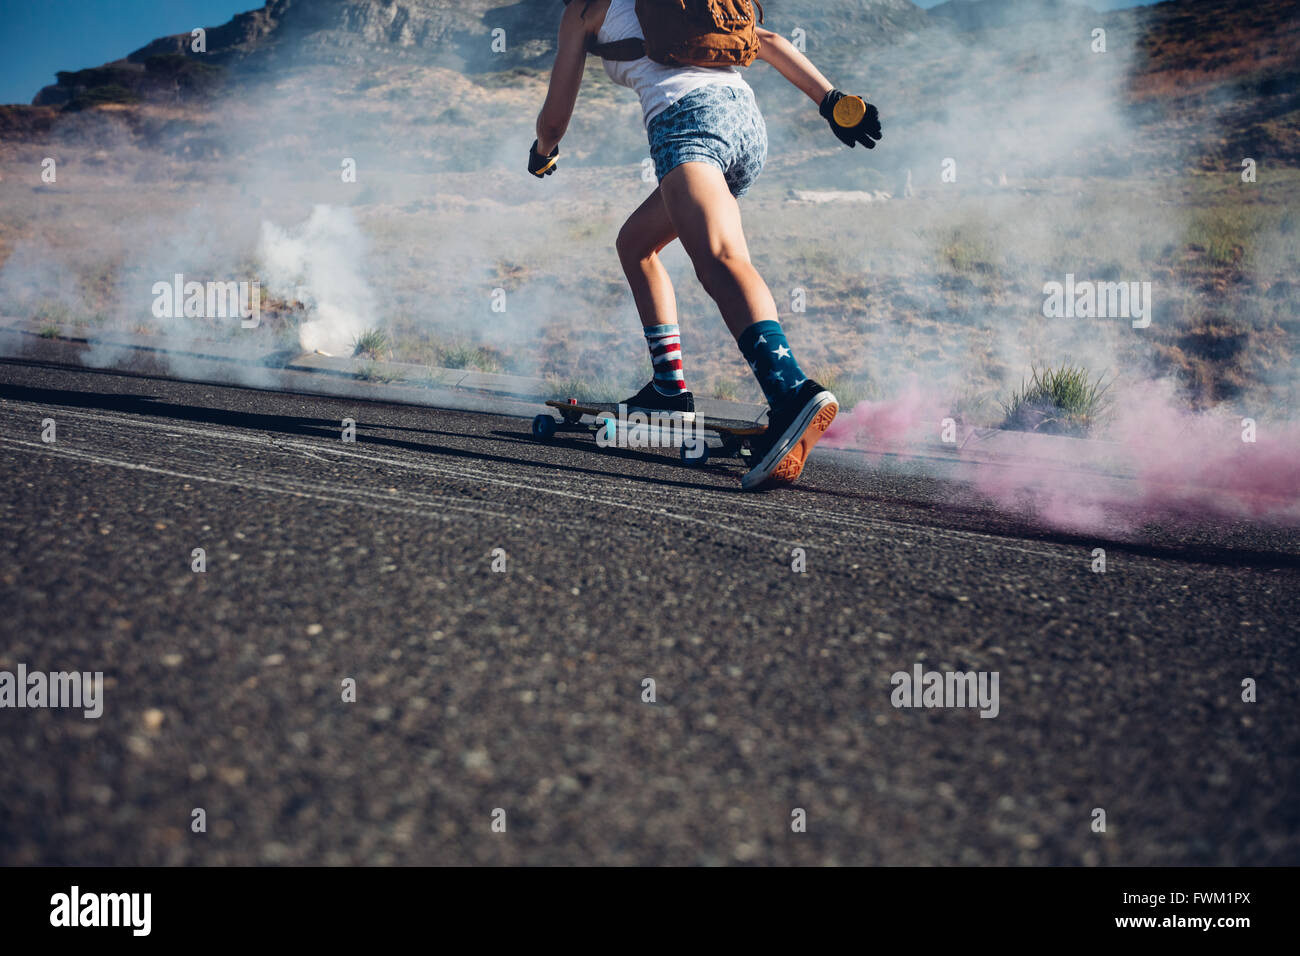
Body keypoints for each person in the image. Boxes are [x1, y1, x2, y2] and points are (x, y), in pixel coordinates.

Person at [530, 0, 881, 489]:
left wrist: (543, 153)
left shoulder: (584, 10)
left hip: (689, 123)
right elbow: (770, 42)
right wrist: (831, 102)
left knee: (719, 258)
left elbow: (554, 121)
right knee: (636, 244)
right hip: (745, 127)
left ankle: (791, 393)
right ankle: (668, 388)